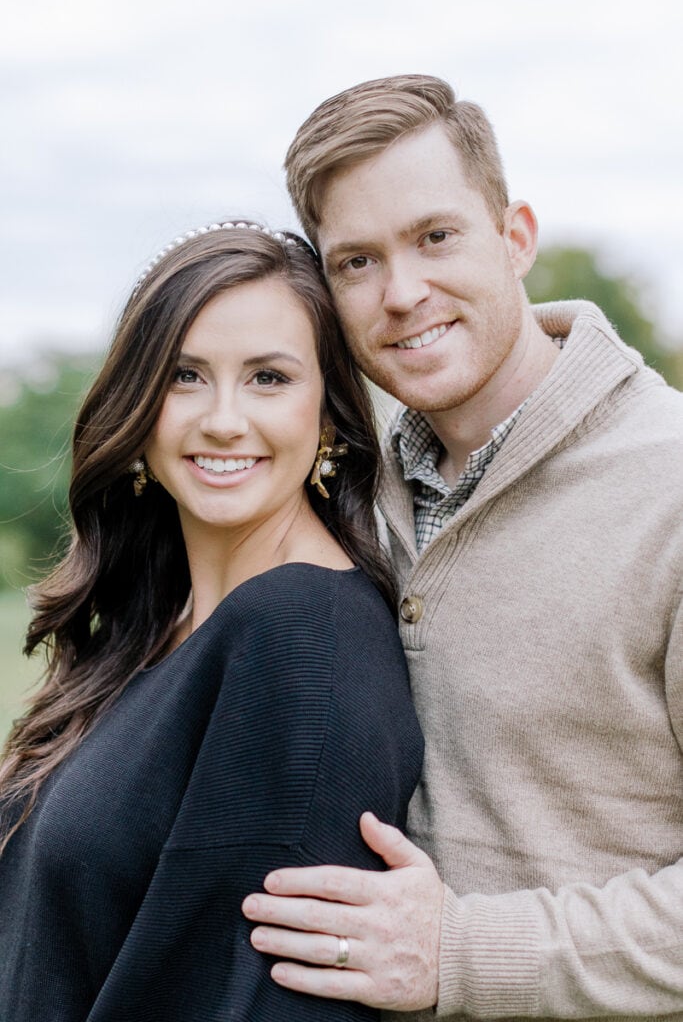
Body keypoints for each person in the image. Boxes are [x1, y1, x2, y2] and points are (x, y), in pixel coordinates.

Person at [241, 76, 683, 1020]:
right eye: (355, 262)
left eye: (435, 237)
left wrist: (462, 953)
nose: (401, 294)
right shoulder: (338, 493)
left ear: (515, 237)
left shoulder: (669, 488)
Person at [0, 221, 424, 1021]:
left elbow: (249, 997)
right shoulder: (154, 627)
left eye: (268, 378)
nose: (223, 419)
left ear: (328, 414)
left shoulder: (299, 638)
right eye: (185, 376)